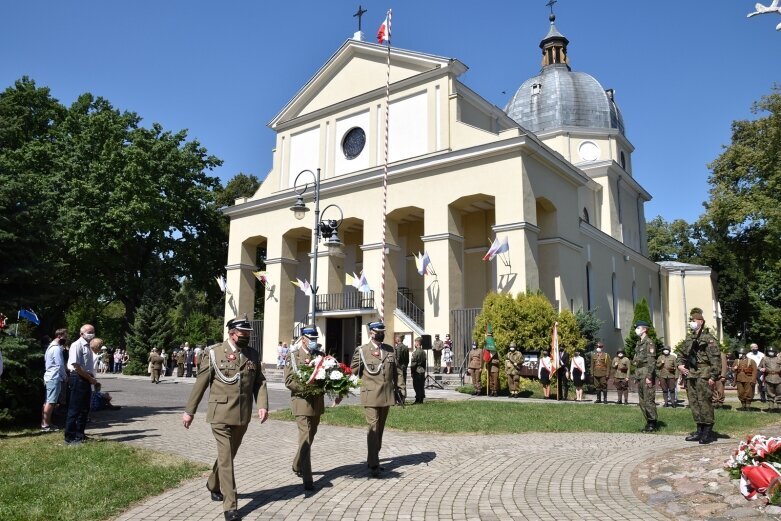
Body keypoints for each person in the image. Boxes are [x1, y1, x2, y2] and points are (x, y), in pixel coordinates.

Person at [182, 317, 269, 521]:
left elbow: (260, 382)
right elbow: (200, 384)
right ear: (232, 333)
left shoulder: (252, 354)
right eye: (243, 335)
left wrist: (263, 404)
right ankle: (230, 506)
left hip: (243, 414)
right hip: (220, 414)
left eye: (248, 335)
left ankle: (213, 483)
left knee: (228, 455)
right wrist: (190, 411)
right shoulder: (214, 353)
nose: (246, 338)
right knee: (227, 458)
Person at [350, 321, 406, 477]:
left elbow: (398, 371)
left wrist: (401, 389)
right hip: (370, 395)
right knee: (373, 428)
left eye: (383, 331)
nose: (381, 334)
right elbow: (352, 371)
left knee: (379, 430)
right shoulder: (362, 351)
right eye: (378, 332)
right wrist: (340, 386)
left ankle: (372, 458)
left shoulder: (389, 350)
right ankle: (374, 464)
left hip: (387, 395)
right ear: (371, 333)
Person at [284, 326, 324, 491]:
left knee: (311, 436)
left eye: (315, 338)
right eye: (311, 338)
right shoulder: (293, 356)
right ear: (303, 338)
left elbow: (325, 376)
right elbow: (288, 380)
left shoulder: (320, 355)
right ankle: (308, 479)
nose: (314, 341)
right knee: (306, 437)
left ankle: (297, 464)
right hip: (301, 402)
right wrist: (306, 388)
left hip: (316, 403)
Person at [676, 308, 721, 444]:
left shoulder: (708, 339)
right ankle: (699, 430)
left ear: (700, 321)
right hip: (691, 374)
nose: (691, 323)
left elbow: (715, 359)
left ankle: (707, 431)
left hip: (704, 373)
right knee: (694, 402)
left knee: (704, 402)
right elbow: (681, 354)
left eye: (693, 320)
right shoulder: (689, 338)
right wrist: (680, 365)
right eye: (690, 321)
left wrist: (713, 376)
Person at [64, 324, 98, 445]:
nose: (91, 333)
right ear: (81, 333)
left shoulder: (89, 346)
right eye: (89, 331)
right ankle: (69, 437)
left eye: (93, 331)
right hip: (78, 378)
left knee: (84, 409)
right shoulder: (76, 345)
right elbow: (76, 366)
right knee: (75, 409)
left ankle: (80, 434)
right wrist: (90, 378)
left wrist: (90, 378)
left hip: (86, 379)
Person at [42, 328, 68, 432]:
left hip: (49, 376)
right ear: (59, 336)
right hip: (54, 377)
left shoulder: (50, 347)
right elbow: (59, 364)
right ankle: (46, 425)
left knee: (47, 401)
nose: (66, 338)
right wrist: (65, 376)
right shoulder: (56, 348)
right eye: (65, 336)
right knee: (51, 402)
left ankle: (46, 423)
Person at [633, 321, 657, 432]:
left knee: (648, 400)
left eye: (638, 328)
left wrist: (649, 376)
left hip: (646, 372)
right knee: (642, 401)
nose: (636, 330)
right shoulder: (639, 343)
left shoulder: (649, 342)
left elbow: (651, 361)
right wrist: (636, 376)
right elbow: (636, 360)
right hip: (640, 373)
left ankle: (652, 422)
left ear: (644, 329)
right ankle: (648, 421)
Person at [759, 347, 781, 411]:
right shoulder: (764, 359)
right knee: (769, 393)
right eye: (769, 351)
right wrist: (761, 369)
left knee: (779, 393)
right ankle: (771, 407)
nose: (770, 352)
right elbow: (759, 367)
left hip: (778, 378)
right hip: (768, 378)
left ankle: (779, 407)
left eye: (772, 351)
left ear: (775, 352)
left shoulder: (779, 358)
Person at [410, 336, 426, 403]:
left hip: (417, 371)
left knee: (416, 386)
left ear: (417, 343)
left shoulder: (416, 352)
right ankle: (421, 398)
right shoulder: (423, 352)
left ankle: (418, 399)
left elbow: (413, 364)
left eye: (415, 342)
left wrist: (412, 371)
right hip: (422, 370)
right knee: (421, 385)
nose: (415, 344)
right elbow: (424, 363)